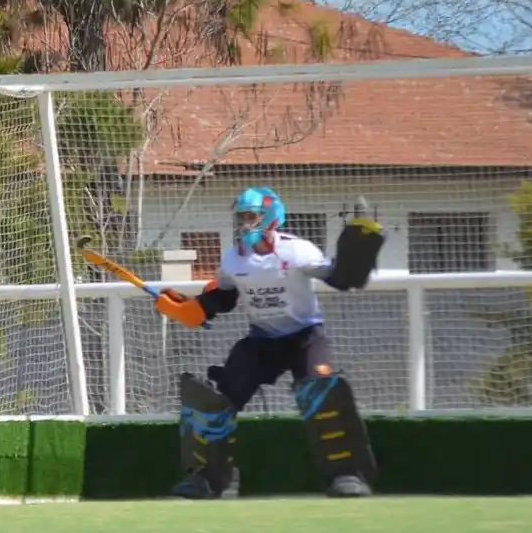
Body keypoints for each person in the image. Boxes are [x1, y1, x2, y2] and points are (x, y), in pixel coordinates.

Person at [154, 186, 383, 499]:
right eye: (242, 217)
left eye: (252, 216)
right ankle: (208, 479)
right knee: (215, 400)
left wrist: (361, 242)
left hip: (305, 336)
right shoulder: (234, 258)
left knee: (324, 391)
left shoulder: (296, 250)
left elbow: (341, 278)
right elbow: (223, 295)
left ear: (272, 217)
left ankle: (347, 475)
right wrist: (189, 308)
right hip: (261, 341)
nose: (246, 223)